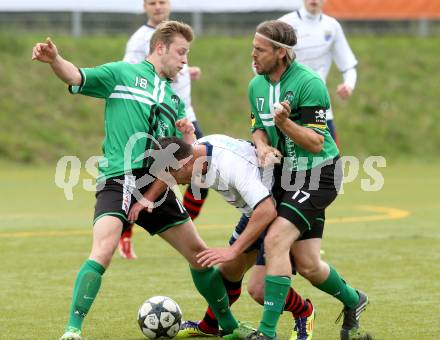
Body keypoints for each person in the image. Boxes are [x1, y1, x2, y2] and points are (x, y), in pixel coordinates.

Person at [32, 21, 253, 340]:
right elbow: (76, 76)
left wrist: (187, 137)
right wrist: (55, 59)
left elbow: (177, 155)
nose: (184, 60)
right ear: (160, 48)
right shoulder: (122, 74)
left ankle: (229, 328)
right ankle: (72, 330)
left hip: (156, 185)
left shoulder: (173, 100)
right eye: (181, 52)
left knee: (199, 254)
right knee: (103, 250)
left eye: (187, 54)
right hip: (119, 178)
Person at [199, 21, 370, 340]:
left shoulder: (309, 83)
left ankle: (267, 333)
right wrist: (262, 145)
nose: (253, 55)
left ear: (281, 53)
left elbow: (317, 142)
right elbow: (257, 126)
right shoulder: (256, 86)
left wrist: (285, 124)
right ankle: (353, 299)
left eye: (260, 50)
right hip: (283, 177)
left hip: (320, 174)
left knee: (277, 238)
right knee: (298, 269)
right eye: (253, 47)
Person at [130, 134, 315, 340]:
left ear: (184, 164)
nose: (175, 183)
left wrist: (233, 250)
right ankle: (209, 326)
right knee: (228, 272)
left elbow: (267, 210)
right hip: (256, 210)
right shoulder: (195, 151)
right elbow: (170, 171)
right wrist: (147, 198)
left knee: (260, 289)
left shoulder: (229, 164)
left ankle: (304, 312)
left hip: (277, 210)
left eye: (173, 176)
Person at [119, 0, 208, 259]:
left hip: (185, 115)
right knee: (142, 177)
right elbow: (134, 74)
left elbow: (171, 66)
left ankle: (183, 225)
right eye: (152, 3)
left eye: (162, 2)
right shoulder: (139, 40)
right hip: (158, 118)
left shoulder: (177, 35)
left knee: (202, 172)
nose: (158, 7)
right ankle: (125, 232)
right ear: (145, 7)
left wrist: (187, 70)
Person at [279, 0, 358, 146]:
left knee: (331, 164)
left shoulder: (332, 26)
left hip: (319, 108)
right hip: (289, 108)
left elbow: (349, 66)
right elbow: (259, 64)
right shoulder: (284, 24)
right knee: (288, 165)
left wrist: (348, 85)